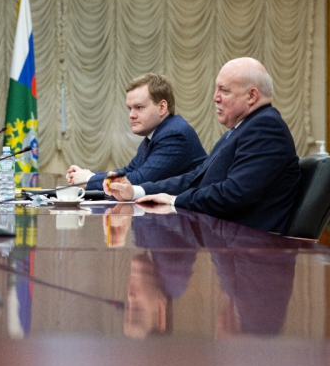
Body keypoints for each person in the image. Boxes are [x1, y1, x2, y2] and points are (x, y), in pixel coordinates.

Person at [105, 58, 300, 234]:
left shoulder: (265, 127)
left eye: (224, 91)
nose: (215, 97)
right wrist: (138, 191)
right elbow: (196, 178)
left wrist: (175, 201)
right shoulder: (242, 129)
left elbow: (234, 193)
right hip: (227, 240)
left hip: (251, 250)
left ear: (251, 96)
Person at [67, 73, 207, 190]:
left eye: (139, 107)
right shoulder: (155, 135)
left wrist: (89, 179)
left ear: (162, 107)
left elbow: (139, 180)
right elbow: (129, 171)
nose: (131, 115)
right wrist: (90, 175)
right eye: (130, 108)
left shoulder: (174, 135)